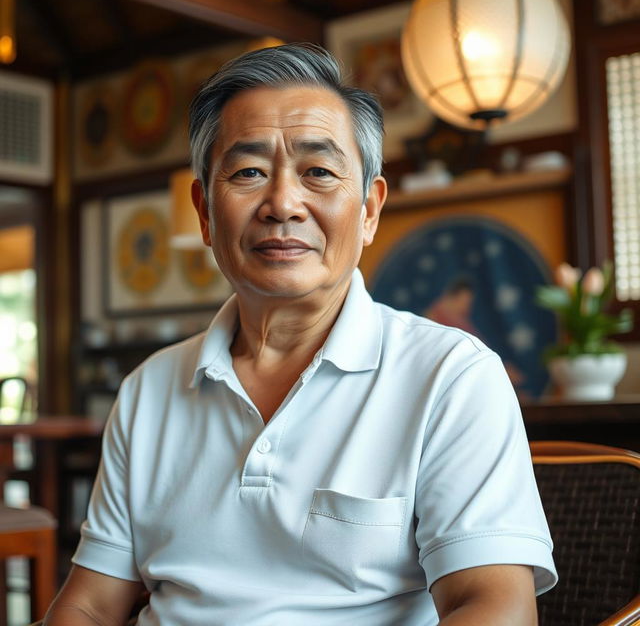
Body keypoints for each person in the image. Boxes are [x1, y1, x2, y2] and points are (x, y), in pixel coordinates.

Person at [44, 44, 556, 625]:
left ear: (368, 209)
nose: (283, 203)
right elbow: (88, 605)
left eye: (318, 172)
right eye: (248, 172)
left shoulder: (451, 376)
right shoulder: (148, 389)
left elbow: (494, 607)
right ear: (205, 213)